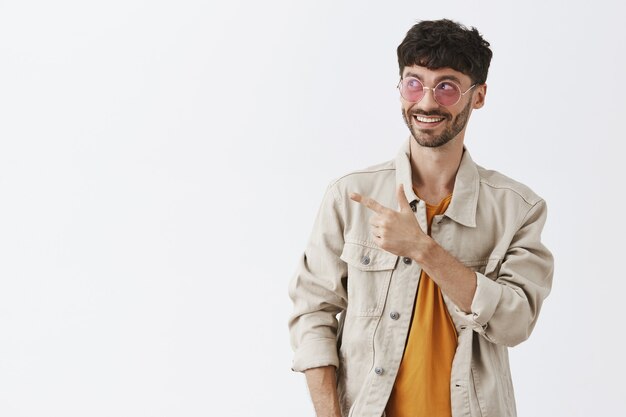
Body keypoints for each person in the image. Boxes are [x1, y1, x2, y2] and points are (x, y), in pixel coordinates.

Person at [288, 19, 554, 417]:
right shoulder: (349, 196)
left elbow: (515, 323)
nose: (426, 102)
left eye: (446, 87)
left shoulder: (517, 209)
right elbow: (312, 311)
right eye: (414, 83)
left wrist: (421, 248)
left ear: (477, 95)